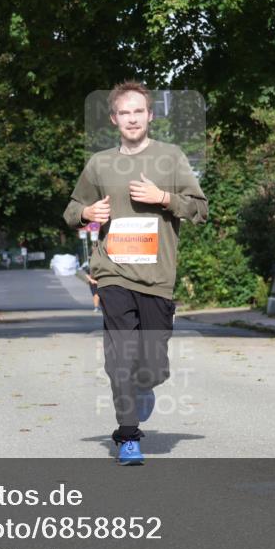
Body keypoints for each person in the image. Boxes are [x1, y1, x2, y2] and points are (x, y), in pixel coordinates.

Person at [63, 81, 208, 465]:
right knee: (119, 358)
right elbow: (72, 208)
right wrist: (87, 214)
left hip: (158, 278)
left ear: (150, 116)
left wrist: (163, 198)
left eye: (138, 111)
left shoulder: (171, 157)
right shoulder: (99, 164)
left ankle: (146, 385)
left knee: (153, 365)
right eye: (124, 113)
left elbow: (200, 209)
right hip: (112, 274)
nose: (131, 118)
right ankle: (128, 436)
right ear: (114, 119)